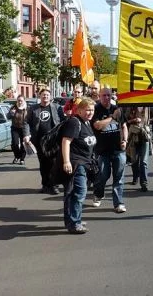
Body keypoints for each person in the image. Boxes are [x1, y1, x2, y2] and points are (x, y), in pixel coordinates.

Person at [60, 97, 97, 234]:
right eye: (87, 110)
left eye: (92, 110)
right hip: (76, 164)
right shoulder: (75, 122)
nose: (90, 112)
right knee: (79, 192)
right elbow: (66, 141)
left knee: (74, 193)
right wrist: (66, 161)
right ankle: (74, 223)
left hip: (84, 163)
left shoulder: (86, 122)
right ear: (80, 110)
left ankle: (74, 220)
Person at [91, 88, 128, 213]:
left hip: (118, 150)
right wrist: (112, 117)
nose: (107, 97)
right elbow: (98, 125)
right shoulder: (96, 109)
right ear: (100, 96)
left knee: (119, 177)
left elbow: (123, 126)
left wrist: (125, 140)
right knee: (102, 175)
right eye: (104, 95)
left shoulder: (117, 108)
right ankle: (98, 194)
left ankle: (118, 203)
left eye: (109, 95)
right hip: (102, 150)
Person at [25, 88, 66, 194]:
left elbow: (63, 122)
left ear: (50, 97)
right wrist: (26, 135)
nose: (45, 97)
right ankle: (45, 184)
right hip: (39, 140)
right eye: (43, 95)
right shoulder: (33, 108)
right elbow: (26, 122)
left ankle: (54, 185)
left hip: (53, 140)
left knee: (54, 163)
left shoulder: (57, 108)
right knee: (43, 163)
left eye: (47, 95)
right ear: (40, 96)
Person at [126, 107, 151, 191]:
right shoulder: (129, 108)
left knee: (144, 162)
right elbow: (124, 121)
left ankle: (144, 183)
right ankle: (135, 176)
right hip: (134, 137)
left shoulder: (147, 107)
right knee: (134, 161)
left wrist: (150, 122)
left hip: (145, 137)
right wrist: (133, 120)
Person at [8, 95, 30, 165]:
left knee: (24, 144)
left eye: (21, 101)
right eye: (18, 101)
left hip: (24, 128)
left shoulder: (27, 108)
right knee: (14, 144)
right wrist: (11, 113)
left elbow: (30, 119)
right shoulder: (13, 107)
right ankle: (17, 156)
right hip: (15, 128)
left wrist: (29, 131)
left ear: (24, 101)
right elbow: (8, 117)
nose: (20, 102)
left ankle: (22, 159)